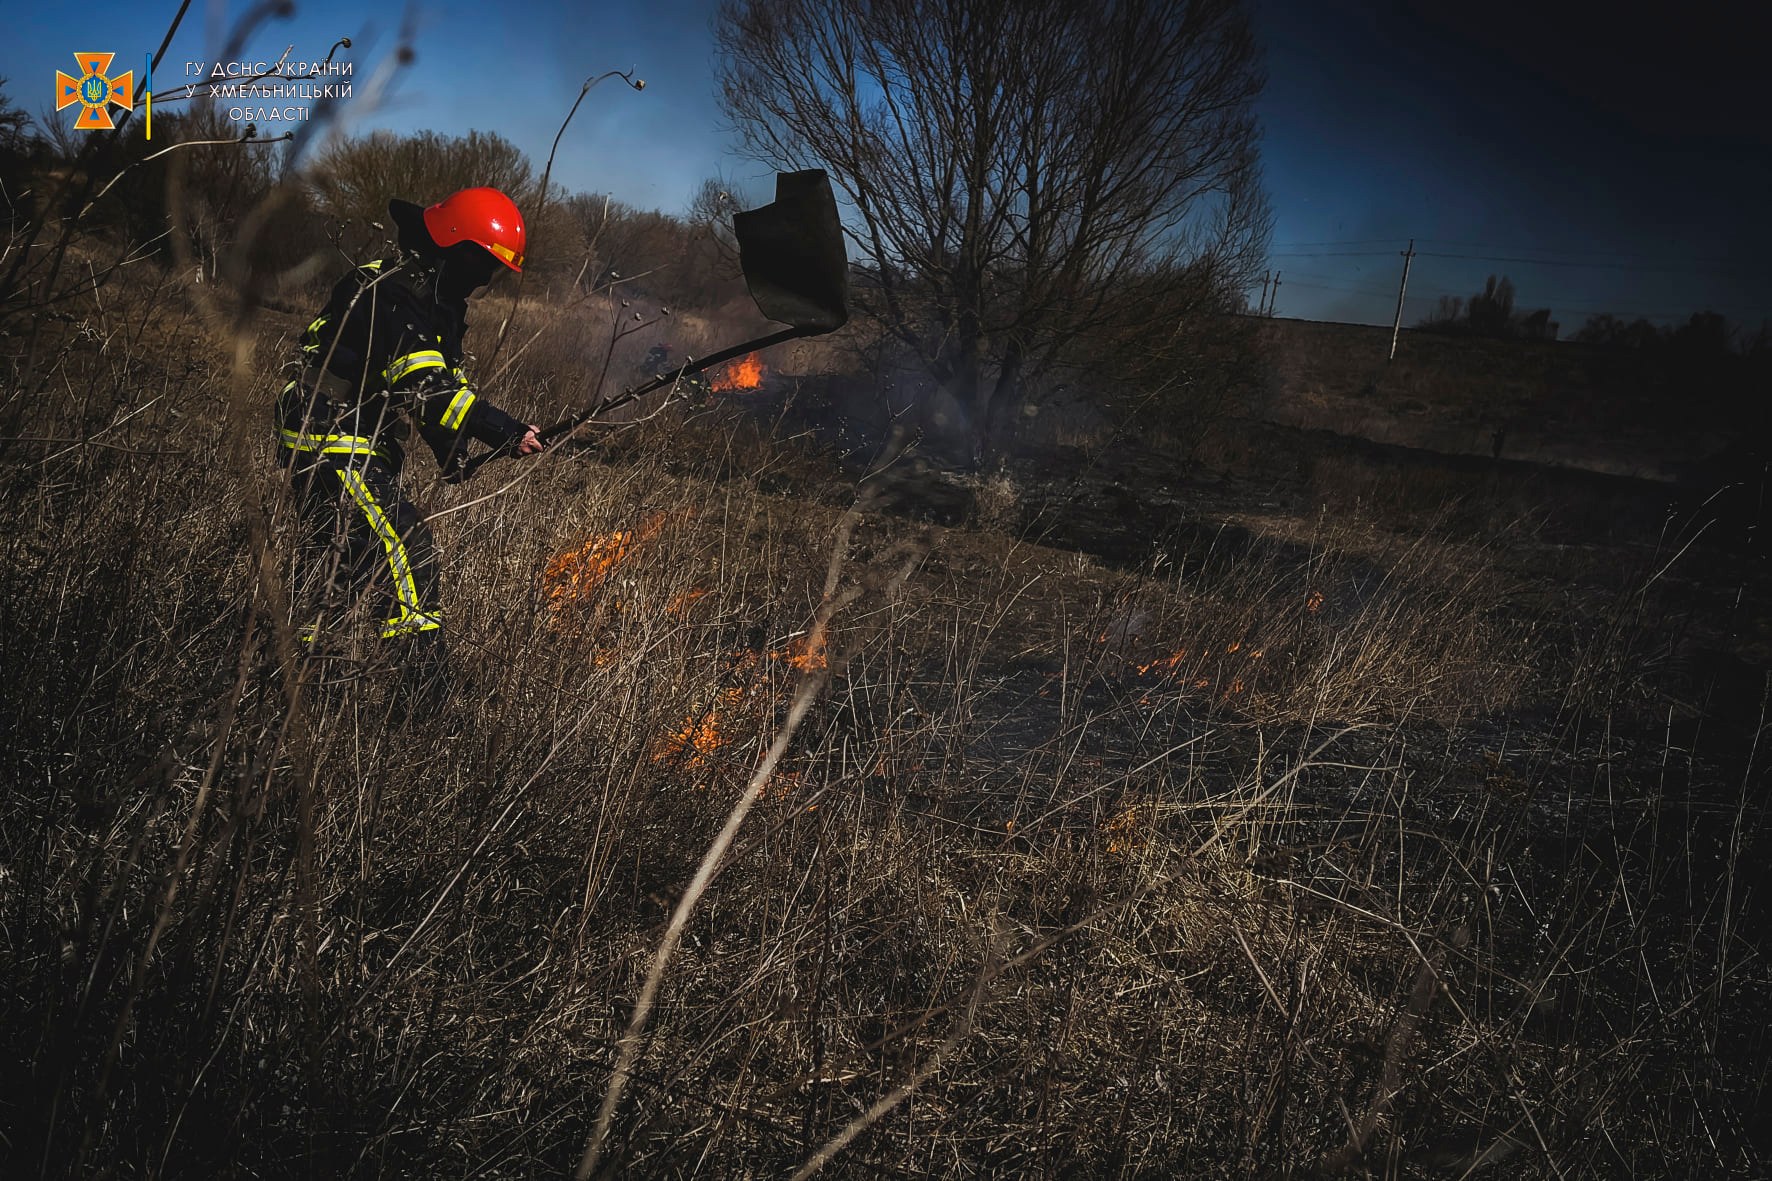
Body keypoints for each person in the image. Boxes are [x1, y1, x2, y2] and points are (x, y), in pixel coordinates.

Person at [276, 186, 544, 697]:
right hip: (328, 432)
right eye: (481, 267)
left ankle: (297, 678)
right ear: (453, 245)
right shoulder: (393, 292)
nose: (482, 282)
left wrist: (451, 453)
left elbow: (439, 385)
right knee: (409, 549)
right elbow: (429, 390)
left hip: (356, 433)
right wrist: (505, 430)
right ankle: (422, 690)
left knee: (335, 563)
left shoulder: (435, 298)